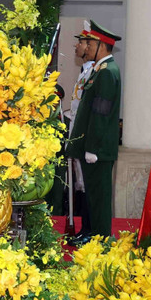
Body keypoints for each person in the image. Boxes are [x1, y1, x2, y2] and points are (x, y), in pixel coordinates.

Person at [66, 20, 122, 243]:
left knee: (99, 197)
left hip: (98, 149)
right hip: (92, 146)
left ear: (102, 46)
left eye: (90, 44)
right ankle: (91, 235)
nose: (86, 47)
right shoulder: (99, 70)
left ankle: (101, 240)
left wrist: (92, 147)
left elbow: (100, 114)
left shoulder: (107, 72)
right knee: (91, 194)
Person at [65, 24, 95, 234]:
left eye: (81, 42)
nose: (77, 46)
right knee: (80, 184)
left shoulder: (94, 72)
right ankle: (83, 229)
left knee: (86, 185)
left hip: (85, 138)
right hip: (76, 134)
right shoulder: (84, 71)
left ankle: (87, 230)